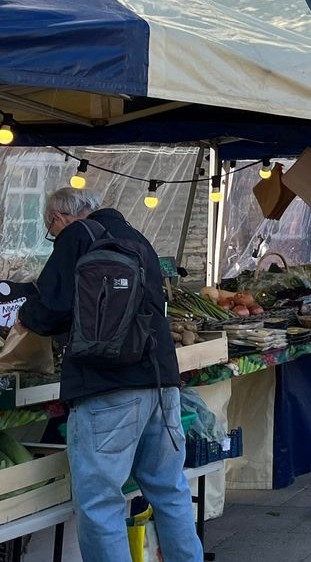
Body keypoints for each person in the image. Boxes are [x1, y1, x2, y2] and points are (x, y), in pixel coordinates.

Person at [17, 188, 202, 562]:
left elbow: (50, 310)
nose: (55, 237)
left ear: (58, 219)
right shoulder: (136, 237)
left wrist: (22, 317)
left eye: (51, 231)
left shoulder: (75, 237)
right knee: (170, 490)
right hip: (162, 381)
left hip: (107, 388)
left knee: (101, 503)